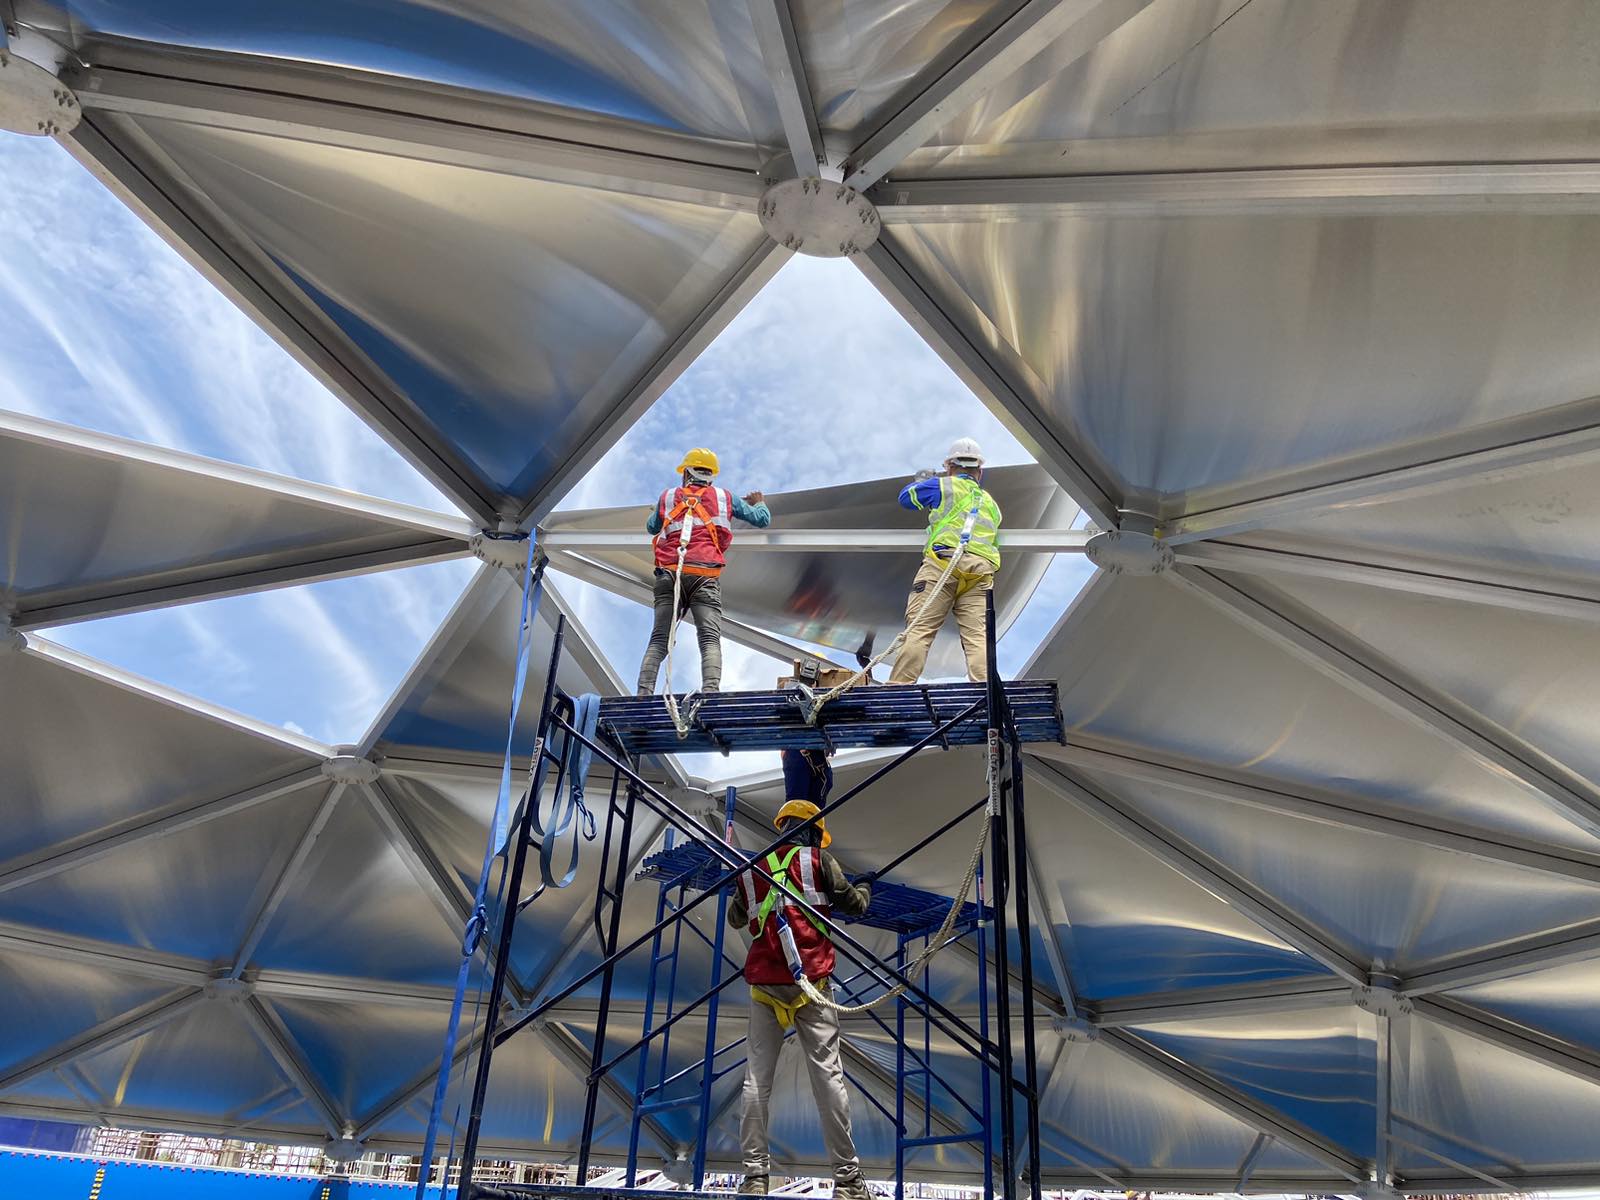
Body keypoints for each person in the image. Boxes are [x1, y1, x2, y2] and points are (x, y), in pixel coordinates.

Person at [729, 800, 872, 1199]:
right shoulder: (817, 861)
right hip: (811, 985)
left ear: (781, 827)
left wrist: (744, 888)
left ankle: (755, 1178)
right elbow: (854, 905)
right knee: (828, 1078)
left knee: (757, 1080)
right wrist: (867, 885)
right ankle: (847, 1182)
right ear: (813, 831)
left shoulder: (753, 870)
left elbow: (736, 918)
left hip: (765, 988)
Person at [636, 448, 770, 695]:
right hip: (704, 576)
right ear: (711, 475)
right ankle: (710, 692)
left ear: (686, 472)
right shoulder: (724, 497)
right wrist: (759, 501)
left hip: (669, 575)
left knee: (658, 641)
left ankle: (643, 694)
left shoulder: (668, 496)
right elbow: (762, 519)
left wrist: (663, 510)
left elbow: (651, 526)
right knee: (709, 639)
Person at [888, 437, 1003, 683]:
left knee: (919, 631)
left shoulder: (944, 486)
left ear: (950, 466)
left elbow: (906, 499)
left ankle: (898, 688)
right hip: (980, 573)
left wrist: (924, 480)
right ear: (979, 472)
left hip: (944, 564)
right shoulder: (992, 504)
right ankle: (986, 694)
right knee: (978, 639)